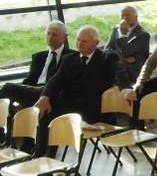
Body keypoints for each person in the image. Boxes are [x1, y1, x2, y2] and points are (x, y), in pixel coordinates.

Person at [33, 26, 126, 154]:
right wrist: (45, 96)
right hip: (70, 106)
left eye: (84, 41)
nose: (79, 44)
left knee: (58, 119)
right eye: (78, 40)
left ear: (96, 43)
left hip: (93, 110)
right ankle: (41, 157)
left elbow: (119, 73)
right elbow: (56, 79)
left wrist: (125, 88)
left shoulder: (107, 58)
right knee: (45, 114)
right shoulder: (69, 59)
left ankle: (48, 158)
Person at [0, 20, 72, 111]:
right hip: (34, 90)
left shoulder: (71, 56)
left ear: (64, 37)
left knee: (8, 87)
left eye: (54, 35)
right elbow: (29, 80)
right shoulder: (38, 57)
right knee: (8, 105)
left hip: (53, 92)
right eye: (48, 34)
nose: (50, 37)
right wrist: (18, 97)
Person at [106, 5, 150, 86]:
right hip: (117, 66)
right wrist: (121, 58)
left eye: (128, 15)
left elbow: (124, 52)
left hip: (132, 71)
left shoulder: (143, 35)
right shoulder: (116, 29)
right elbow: (107, 48)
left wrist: (123, 34)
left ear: (136, 17)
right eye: (122, 15)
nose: (125, 17)